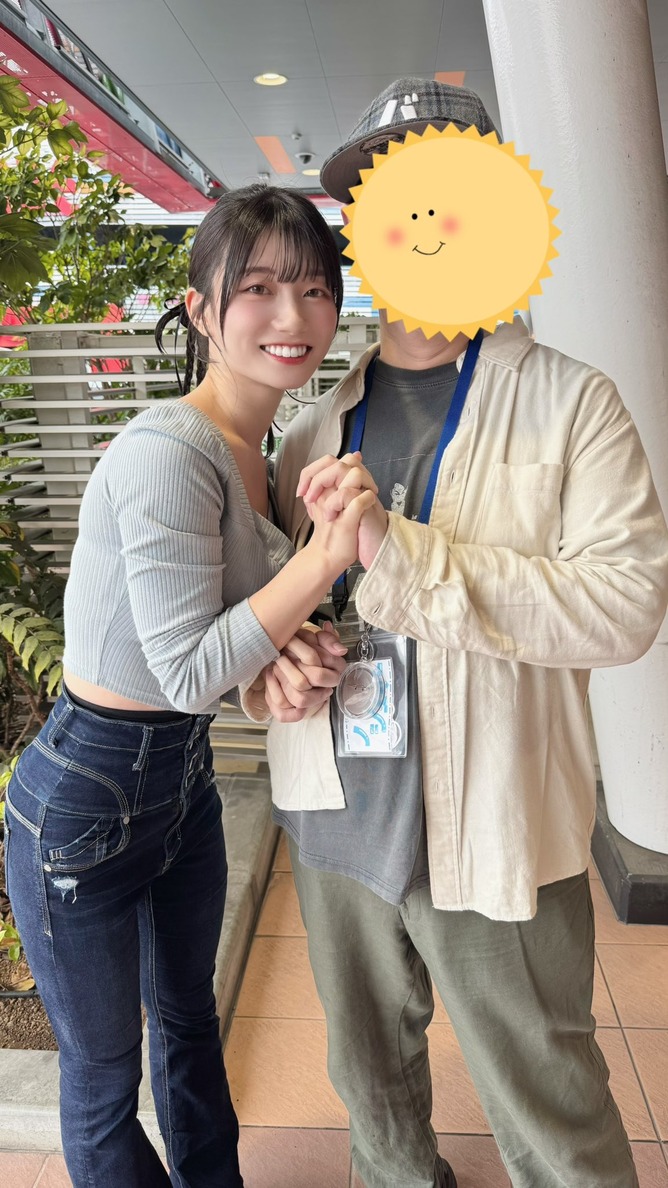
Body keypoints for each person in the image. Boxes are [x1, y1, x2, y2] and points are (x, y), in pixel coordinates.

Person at [253, 82, 668, 1188]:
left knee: (547, 1098)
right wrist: (272, 671)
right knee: (370, 1086)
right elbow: (278, 611)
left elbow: (627, 605)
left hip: (493, 813)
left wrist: (405, 554)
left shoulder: (573, 404)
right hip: (338, 807)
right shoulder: (310, 427)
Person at [3, 184, 373, 1188]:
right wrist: (323, 559)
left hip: (180, 784)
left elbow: (225, 647)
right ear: (201, 309)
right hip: (84, 800)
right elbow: (185, 668)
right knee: (103, 1079)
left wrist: (288, 661)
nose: (292, 314)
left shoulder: (263, 453)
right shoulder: (168, 451)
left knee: (189, 1026)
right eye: (259, 288)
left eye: (314, 287)